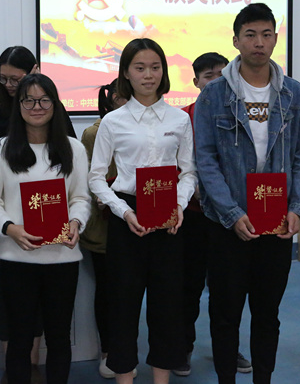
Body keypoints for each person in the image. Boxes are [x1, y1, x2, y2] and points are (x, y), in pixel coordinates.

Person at [194, 3, 300, 384]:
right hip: (227, 224)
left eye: (266, 35)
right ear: (236, 40)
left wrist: (298, 207)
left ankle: (263, 378)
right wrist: (231, 213)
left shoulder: (294, 94)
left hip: (276, 222)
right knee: (225, 313)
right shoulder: (213, 95)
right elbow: (205, 160)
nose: (258, 43)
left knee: (267, 313)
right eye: (250, 35)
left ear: (276, 39)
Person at [88, 38, 197, 384]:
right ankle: (125, 377)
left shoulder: (179, 119)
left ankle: (161, 378)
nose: (148, 75)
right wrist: (123, 212)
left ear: (164, 71)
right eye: (140, 68)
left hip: (168, 216)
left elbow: (189, 172)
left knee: (167, 305)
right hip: (128, 217)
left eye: (155, 67)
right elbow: (96, 178)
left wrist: (179, 205)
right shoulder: (113, 121)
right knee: (123, 305)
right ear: (126, 73)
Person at [0, 73, 90, 384]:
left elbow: (80, 198)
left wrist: (76, 222)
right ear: (18, 105)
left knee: (59, 337)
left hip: (62, 258)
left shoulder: (73, 149)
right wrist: (9, 228)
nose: (36, 107)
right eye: (28, 100)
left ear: (55, 104)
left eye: (44, 100)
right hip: (16, 257)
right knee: (19, 338)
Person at [173, 52, 252, 377]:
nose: (216, 81)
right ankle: (182, 348)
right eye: (209, 76)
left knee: (229, 289)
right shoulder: (182, 118)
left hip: (229, 217)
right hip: (193, 216)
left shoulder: (242, 113)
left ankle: (229, 349)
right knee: (188, 286)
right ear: (196, 82)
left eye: (222, 74)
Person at [79, 79, 127, 379]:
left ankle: (128, 351)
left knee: (131, 293)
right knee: (109, 291)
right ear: (114, 99)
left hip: (140, 223)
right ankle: (109, 351)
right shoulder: (94, 133)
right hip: (105, 226)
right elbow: (87, 179)